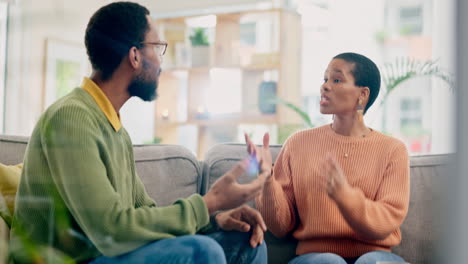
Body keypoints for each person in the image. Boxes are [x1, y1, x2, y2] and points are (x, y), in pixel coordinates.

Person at [10, 2, 269, 264]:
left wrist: (214, 220)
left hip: (107, 256)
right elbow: (110, 229)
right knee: (203, 252)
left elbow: (145, 214)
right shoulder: (71, 118)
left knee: (247, 243)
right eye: (157, 48)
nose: (160, 64)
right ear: (134, 56)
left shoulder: (114, 129)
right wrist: (209, 202)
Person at [248, 52, 410, 264]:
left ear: (362, 94)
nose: (325, 86)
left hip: (375, 255)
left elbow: (386, 222)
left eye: (337, 79)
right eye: (325, 79)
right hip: (316, 257)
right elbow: (280, 227)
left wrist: (345, 197)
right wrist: (267, 180)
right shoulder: (298, 144)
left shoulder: (393, 150)